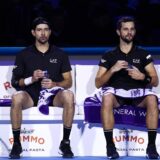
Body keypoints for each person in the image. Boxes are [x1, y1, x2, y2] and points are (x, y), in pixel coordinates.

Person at [10, 17, 75, 159]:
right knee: (16, 97)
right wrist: (31, 79)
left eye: (46, 30)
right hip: (31, 97)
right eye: (39, 30)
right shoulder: (23, 54)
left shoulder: (60, 54)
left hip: (53, 96)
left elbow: (68, 82)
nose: (43, 33)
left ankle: (65, 142)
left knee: (69, 95)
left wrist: (55, 84)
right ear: (33, 32)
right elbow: (15, 82)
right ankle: (16, 144)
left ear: (50, 32)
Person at [95, 16, 159, 159]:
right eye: (125, 29)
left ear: (135, 32)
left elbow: (155, 81)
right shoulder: (109, 54)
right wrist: (112, 69)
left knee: (152, 98)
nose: (129, 32)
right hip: (117, 96)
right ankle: (110, 147)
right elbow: (98, 83)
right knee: (107, 97)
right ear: (118, 32)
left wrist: (142, 77)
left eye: (132, 29)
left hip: (138, 96)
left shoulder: (143, 54)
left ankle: (151, 147)